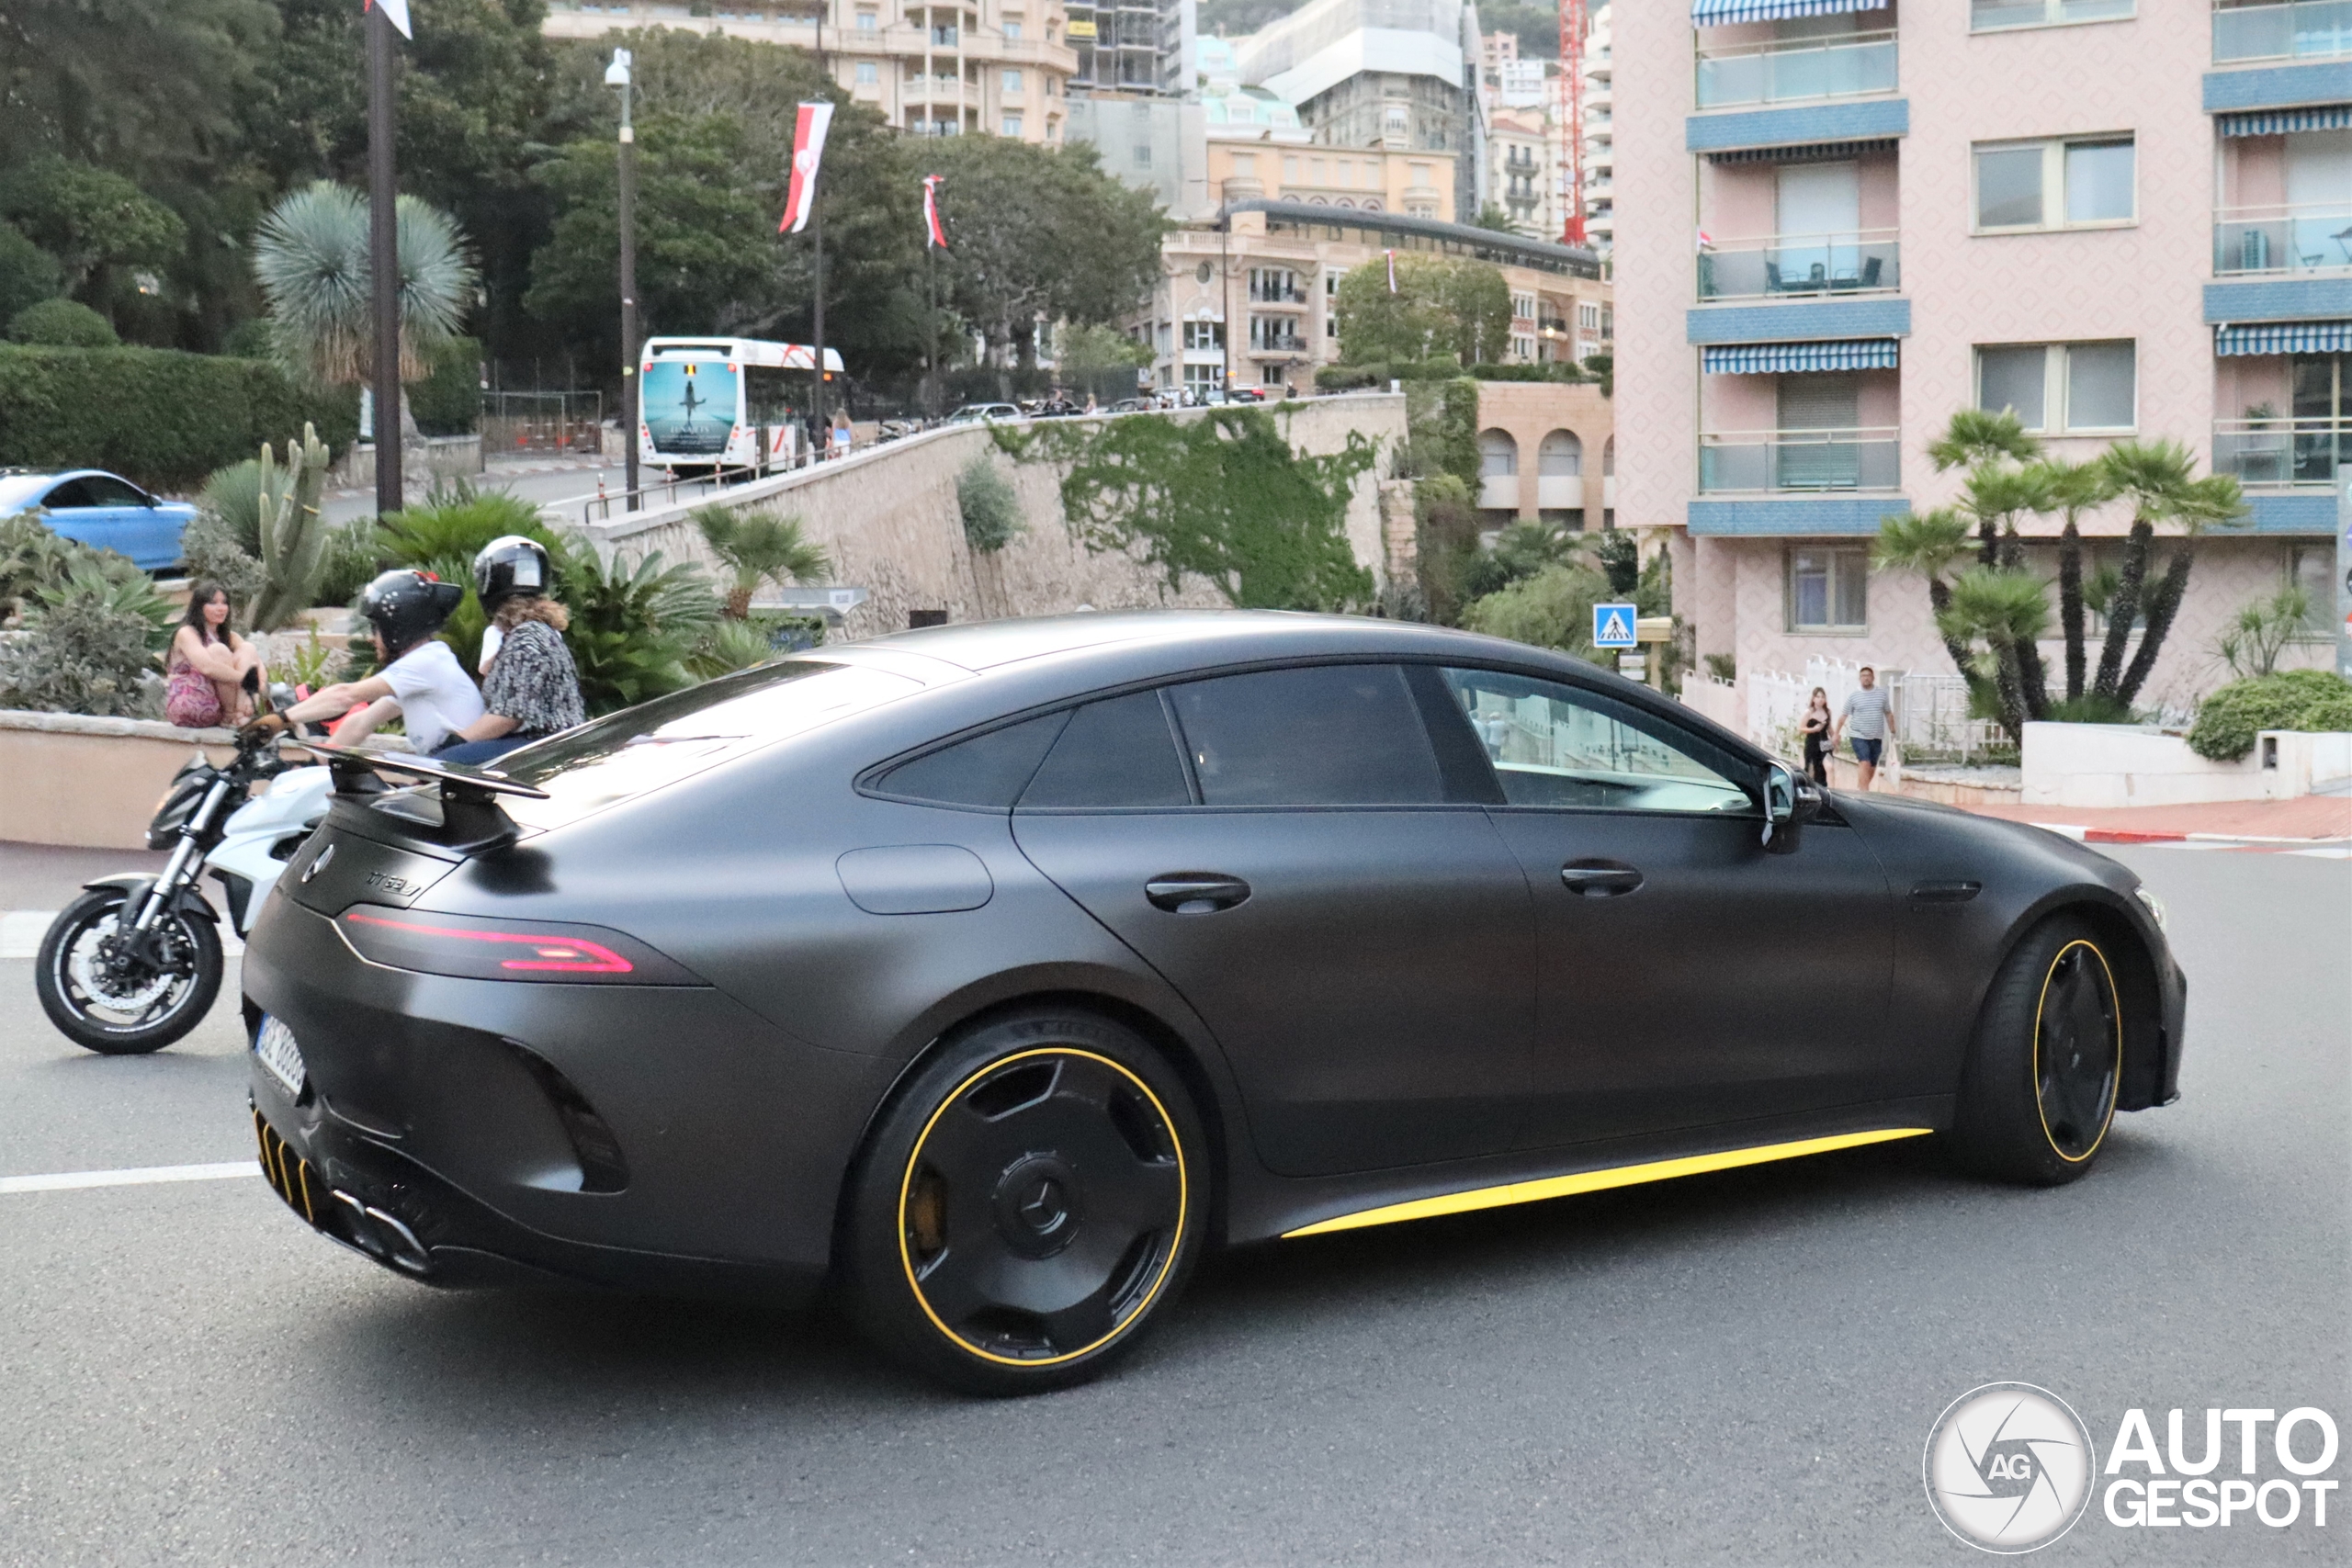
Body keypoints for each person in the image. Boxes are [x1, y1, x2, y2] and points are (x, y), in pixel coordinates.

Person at [266, 570, 481, 754]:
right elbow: (361, 723)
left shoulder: (426, 662)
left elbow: (344, 696)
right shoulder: (426, 665)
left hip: (462, 783)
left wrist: (281, 719)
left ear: (399, 627)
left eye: (376, 628)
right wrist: (315, 764)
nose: (370, 638)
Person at [435, 536, 586, 765]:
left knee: (444, 763)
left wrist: (456, 741)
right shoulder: (536, 632)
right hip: (553, 741)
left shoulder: (525, 638)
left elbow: (509, 717)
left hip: (544, 744)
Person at [164, 581, 266, 728]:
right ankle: (232, 716)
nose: (220, 608)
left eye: (224, 603)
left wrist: (253, 691)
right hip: (193, 704)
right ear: (199, 607)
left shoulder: (230, 636)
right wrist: (246, 679)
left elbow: (259, 668)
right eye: (213, 603)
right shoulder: (186, 633)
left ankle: (237, 716)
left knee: (248, 648)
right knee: (218, 651)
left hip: (219, 705)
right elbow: (207, 668)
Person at [1834, 666, 1892, 792]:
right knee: (1864, 762)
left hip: (1876, 736)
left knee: (1872, 766)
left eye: (1868, 675)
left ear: (1873, 678)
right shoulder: (1854, 696)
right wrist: (1836, 733)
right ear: (1860, 678)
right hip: (1858, 735)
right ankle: (1864, 791)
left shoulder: (1881, 694)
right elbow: (1844, 715)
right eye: (1863, 676)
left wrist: (1893, 731)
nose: (1866, 678)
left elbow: (1888, 713)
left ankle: (1861, 788)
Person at [1798, 686, 1833, 787]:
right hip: (1812, 742)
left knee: (1829, 767)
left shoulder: (1828, 712)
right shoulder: (1809, 712)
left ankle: (1833, 792)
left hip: (1825, 742)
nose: (1820, 699)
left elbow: (1830, 728)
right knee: (1812, 769)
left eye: (1823, 697)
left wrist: (1835, 739)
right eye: (1818, 697)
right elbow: (1801, 728)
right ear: (1813, 698)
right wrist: (1813, 730)